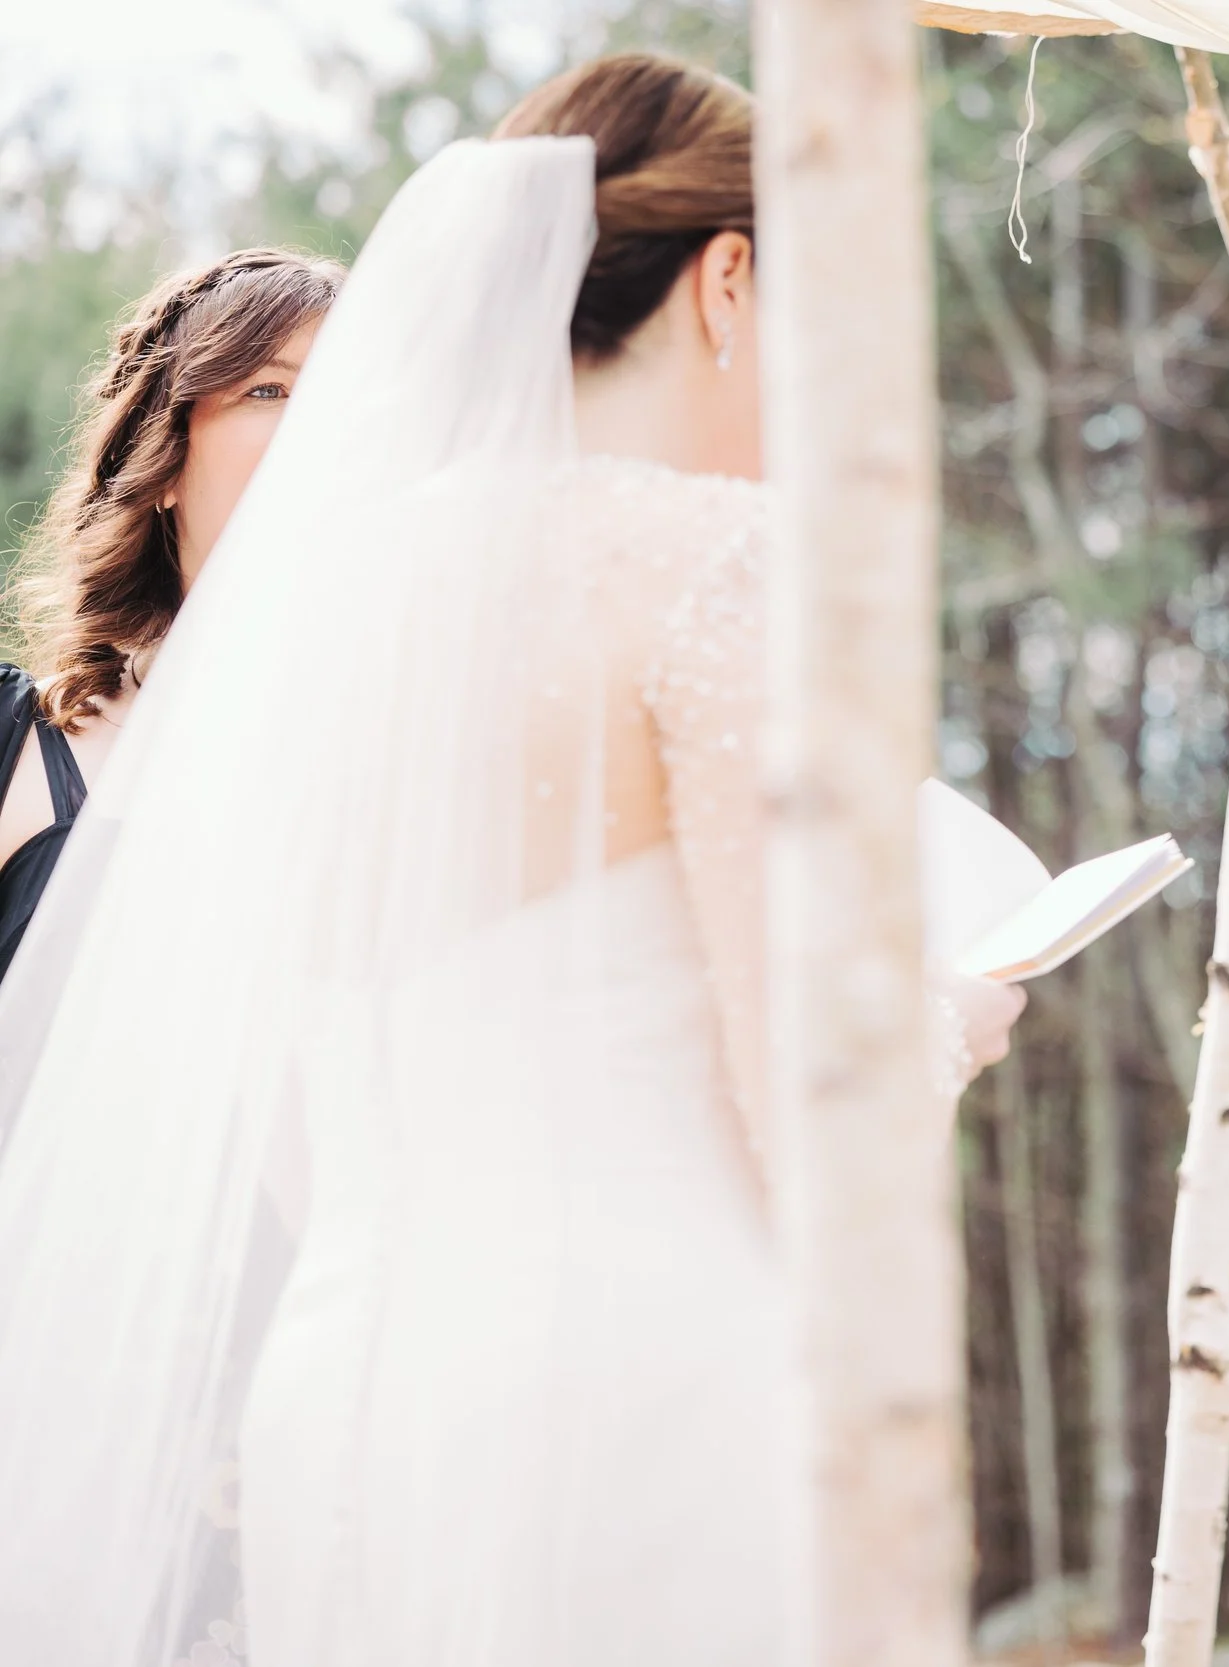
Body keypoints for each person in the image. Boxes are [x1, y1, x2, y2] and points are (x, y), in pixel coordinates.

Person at [0, 53, 1018, 1665]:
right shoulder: (704, 559)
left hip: (346, 1399)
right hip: (643, 1382)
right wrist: (948, 1019)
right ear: (730, 277)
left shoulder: (309, 614)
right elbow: (807, 1120)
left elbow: (275, 1110)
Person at [0, 248, 342, 980]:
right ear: (163, 462)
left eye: (348, 390)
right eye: (269, 389)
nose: (321, 420)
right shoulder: (16, 741)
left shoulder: (422, 750)